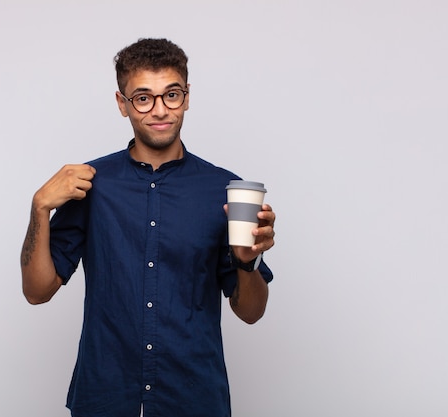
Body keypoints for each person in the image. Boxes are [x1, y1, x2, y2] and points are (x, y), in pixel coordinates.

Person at [20, 38, 276, 417]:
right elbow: (37, 291)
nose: (160, 110)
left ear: (187, 97)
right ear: (122, 104)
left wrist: (247, 262)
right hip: (105, 397)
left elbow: (251, 312)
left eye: (171, 95)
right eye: (143, 98)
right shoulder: (90, 184)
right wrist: (39, 207)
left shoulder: (224, 191)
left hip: (193, 399)